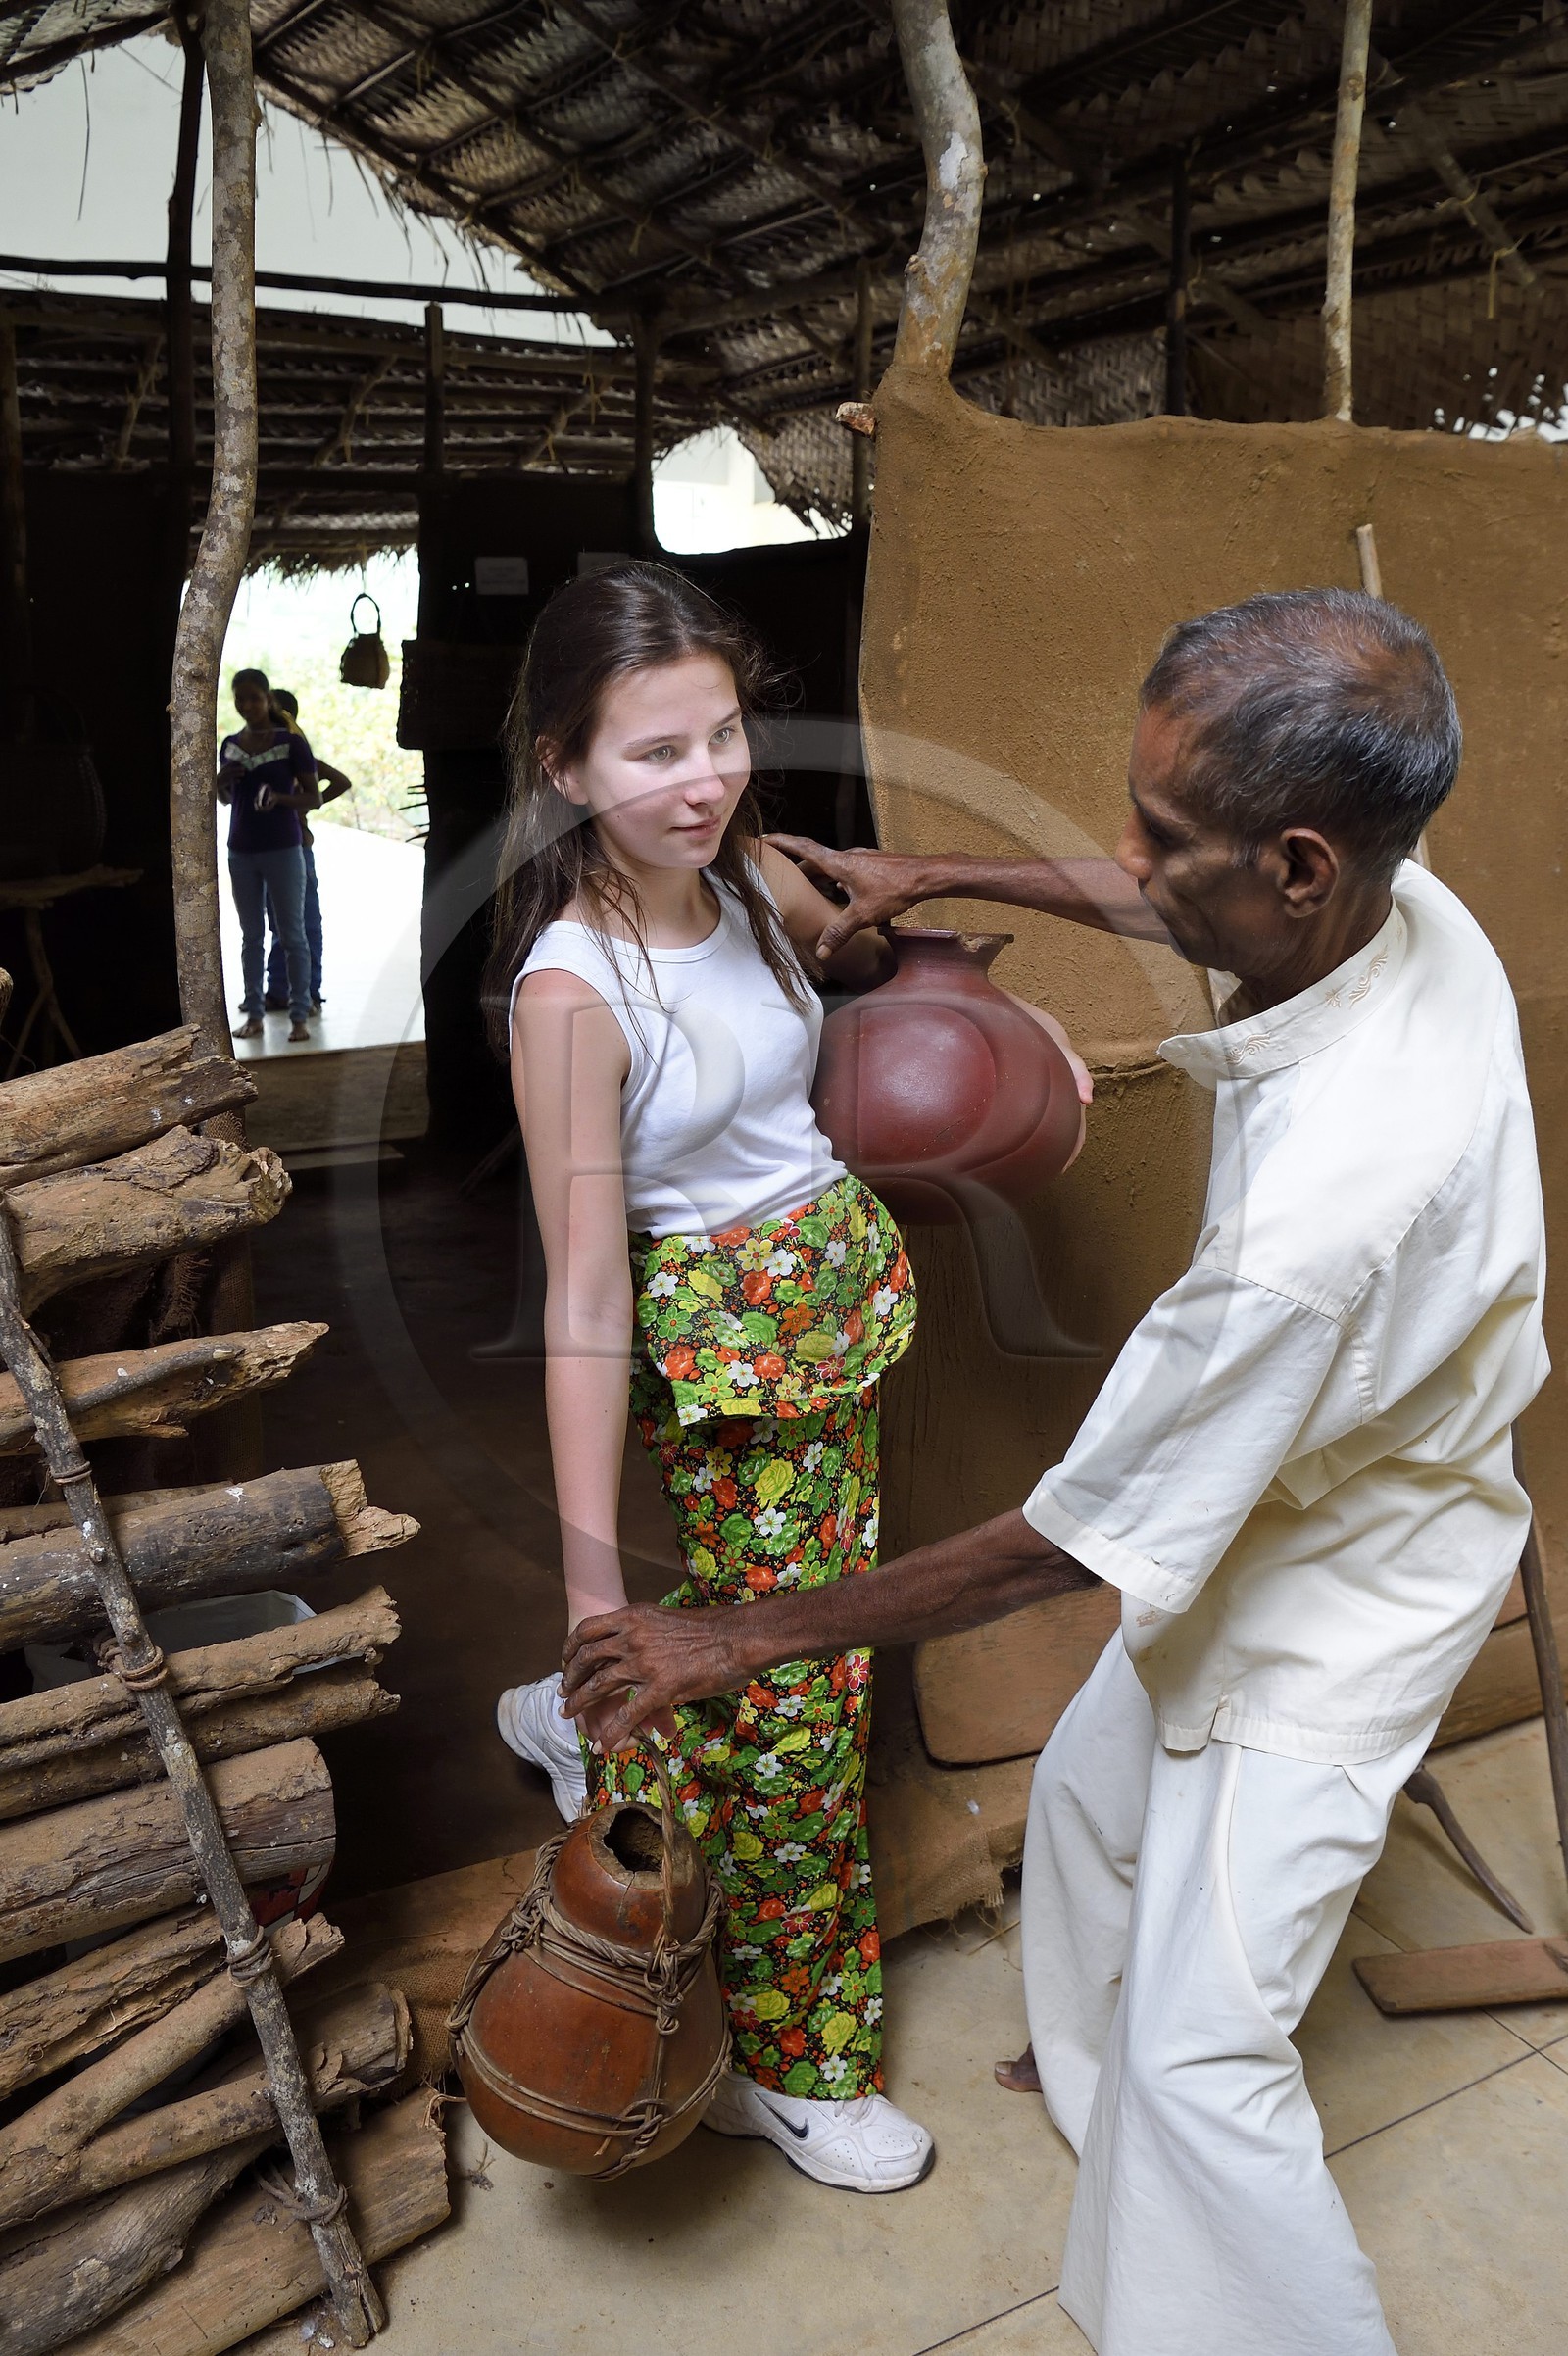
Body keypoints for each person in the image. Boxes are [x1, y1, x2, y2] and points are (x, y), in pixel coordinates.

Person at [560, 590, 1547, 2352]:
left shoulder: (1319, 1229)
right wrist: (932, 870)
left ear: (1302, 864)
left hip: (1355, 1575)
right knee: (1096, 1797)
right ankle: (1099, 2100)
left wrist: (738, 1636)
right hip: (1282, 1482)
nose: (1125, 855)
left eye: (1162, 835)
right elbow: (1167, 883)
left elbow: (1066, 1534)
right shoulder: (1407, 894)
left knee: (1208, 2047)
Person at [485, 562, 1089, 2195]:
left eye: (726, 734)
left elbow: (847, 954)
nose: (704, 779)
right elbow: (587, 1295)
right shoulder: (571, 994)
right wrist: (596, 1599)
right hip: (734, 1374)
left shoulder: (748, 875)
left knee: (793, 1678)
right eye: (652, 754)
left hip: (834, 1324)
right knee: (801, 1714)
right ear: (563, 769)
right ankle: (795, 2058)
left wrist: (935, 944)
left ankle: (567, 1721)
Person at [217, 669, 318, 1042]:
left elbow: (314, 797)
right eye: (239, 699)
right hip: (241, 850)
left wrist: (281, 800)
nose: (247, 705)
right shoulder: (229, 744)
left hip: (284, 848)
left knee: (293, 935)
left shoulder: (290, 744)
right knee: (251, 937)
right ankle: (254, 1015)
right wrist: (219, 781)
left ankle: (299, 1018)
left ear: (267, 699)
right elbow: (226, 799)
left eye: (254, 698)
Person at [262, 688, 354, 1013]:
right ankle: (288, 991)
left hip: (290, 849)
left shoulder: (290, 758)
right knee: (290, 923)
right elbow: (340, 781)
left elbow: (340, 781)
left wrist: (306, 806)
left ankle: (300, 991)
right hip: (285, 849)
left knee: (294, 923)